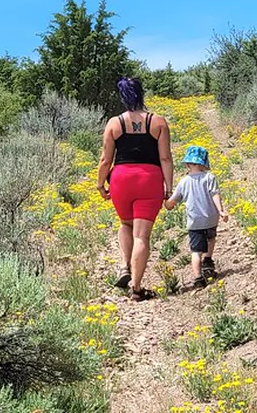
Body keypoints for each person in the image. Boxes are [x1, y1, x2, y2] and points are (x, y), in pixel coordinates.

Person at [97, 77, 174, 302]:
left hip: (121, 179)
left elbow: (105, 160)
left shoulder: (114, 123)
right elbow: (166, 158)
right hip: (149, 179)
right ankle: (137, 287)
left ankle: (124, 266)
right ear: (142, 93)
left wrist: (100, 184)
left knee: (125, 224)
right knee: (142, 235)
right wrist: (169, 188)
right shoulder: (158, 122)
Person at [163, 145, 228, 288]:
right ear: (204, 163)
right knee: (211, 238)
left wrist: (166, 204)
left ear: (187, 164)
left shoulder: (184, 182)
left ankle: (198, 278)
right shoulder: (210, 177)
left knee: (195, 251)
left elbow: (172, 201)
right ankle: (208, 260)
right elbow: (215, 194)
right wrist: (221, 211)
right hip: (211, 218)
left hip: (194, 221)